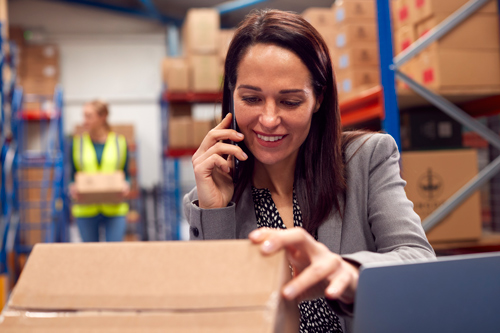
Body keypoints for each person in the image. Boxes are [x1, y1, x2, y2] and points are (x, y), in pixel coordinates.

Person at [183, 9, 435, 333]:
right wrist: (215, 212)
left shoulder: (366, 159)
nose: (269, 119)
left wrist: (350, 272)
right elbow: (212, 316)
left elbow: (418, 259)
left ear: (318, 98)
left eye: (290, 102)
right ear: (231, 94)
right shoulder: (208, 199)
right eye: (251, 98)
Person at [69, 100, 130, 242]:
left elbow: (126, 174)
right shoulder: (77, 143)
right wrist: (72, 186)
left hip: (114, 207)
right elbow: (72, 175)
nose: (84, 121)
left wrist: (127, 184)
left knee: (114, 255)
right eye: (84, 116)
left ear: (103, 117)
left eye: (89, 116)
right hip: (86, 208)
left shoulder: (119, 142)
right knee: (90, 257)